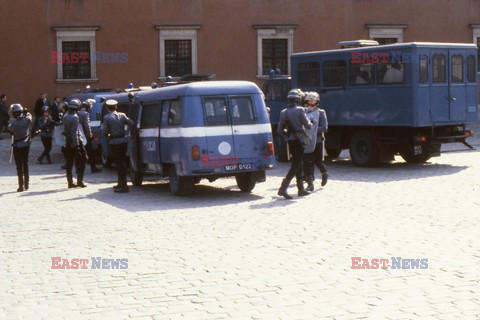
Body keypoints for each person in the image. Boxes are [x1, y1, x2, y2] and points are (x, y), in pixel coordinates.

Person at [276, 89, 312, 199]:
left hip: (290, 141)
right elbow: (308, 125)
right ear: (298, 100)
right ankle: (283, 188)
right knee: (296, 164)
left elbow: (279, 130)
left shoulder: (283, 112)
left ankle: (300, 189)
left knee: (298, 163)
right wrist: (311, 122)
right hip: (299, 140)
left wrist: (287, 133)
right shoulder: (300, 110)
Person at [101, 99, 135, 193]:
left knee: (119, 164)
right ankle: (121, 183)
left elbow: (104, 131)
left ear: (107, 108)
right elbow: (132, 124)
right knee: (122, 163)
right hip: (123, 141)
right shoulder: (122, 115)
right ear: (116, 107)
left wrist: (108, 136)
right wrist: (132, 134)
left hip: (114, 142)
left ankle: (123, 186)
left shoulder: (107, 118)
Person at [302, 92, 329, 191]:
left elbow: (324, 127)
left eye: (313, 100)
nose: (311, 102)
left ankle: (324, 172)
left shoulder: (321, 112)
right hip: (307, 140)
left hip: (317, 140)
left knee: (318, 161)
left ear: (317, 101)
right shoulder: (304, 111)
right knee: (307, 162)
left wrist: (313, 129)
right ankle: (310, 183)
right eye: (309, 100)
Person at [63, 99, 87, 188]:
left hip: (67, 141)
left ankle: (70, 182)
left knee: (69, 163)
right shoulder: (75, 117)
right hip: (76, 142)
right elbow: (74, 132)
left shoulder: (65, 116)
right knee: (82, 160)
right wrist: (77, 145)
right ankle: (80, 181)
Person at [7, 104, 32, 192]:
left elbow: (9, 128)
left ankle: (21, 185)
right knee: (25, 163)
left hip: (17, 146)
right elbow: (30, 116)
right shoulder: (26, 120)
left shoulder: (13, 124)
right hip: (26, 145)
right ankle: (27, 184)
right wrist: (26, 112)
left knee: (19, 166)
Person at [79, 100, 102, 173]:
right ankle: (93, 167)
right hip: (86, 135)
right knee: (90, 152)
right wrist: (90, 134)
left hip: (80, 135)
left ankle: (79, 168)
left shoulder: (78, 113)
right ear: (87, 107)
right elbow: (87, 125)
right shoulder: (85, 114)